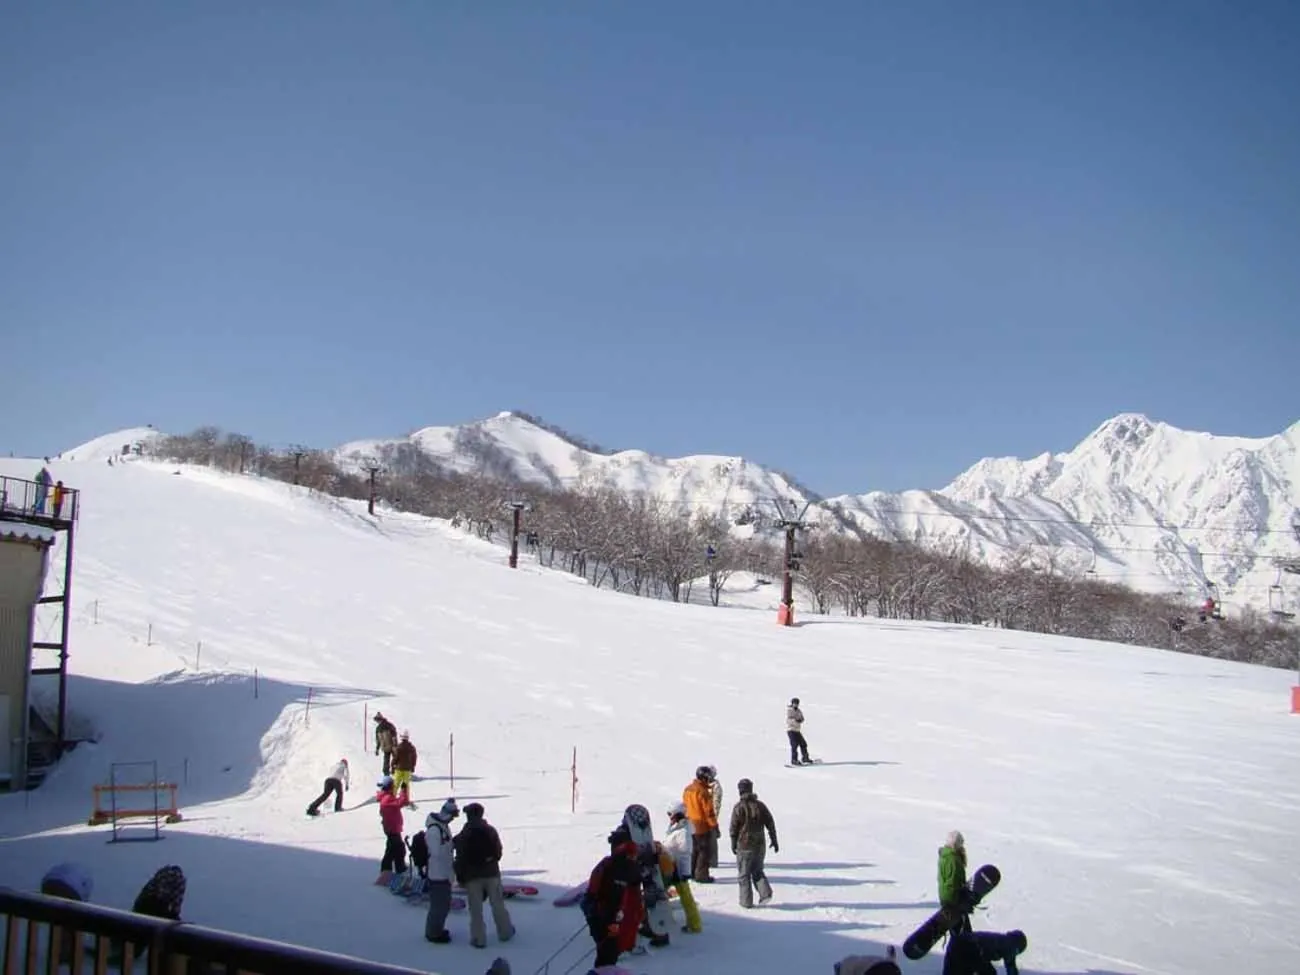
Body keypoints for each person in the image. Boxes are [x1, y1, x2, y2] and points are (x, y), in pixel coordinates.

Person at [580, 824, 645, 968]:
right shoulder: (619, 869)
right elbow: (615, 898)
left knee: (606, 953)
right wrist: (613, 922)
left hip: (597, 912)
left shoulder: (609, 863)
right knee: (607, 955)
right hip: (602, 915)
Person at [453, 802, 515, 949]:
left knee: (476, 910)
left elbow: (460, 858)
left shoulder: (464, 834)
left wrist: (460, 876)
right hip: (492, 873)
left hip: (472, 877)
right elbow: (498, 852)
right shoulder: (490, 830)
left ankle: (478, 938)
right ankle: (505, 932)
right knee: (498, 904)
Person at [729, 777, 778, 908]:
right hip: (760, 844)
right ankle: (765, 893)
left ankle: (746, 902)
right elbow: (770, 822)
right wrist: (774, 839)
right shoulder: (760, 805)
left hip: (744, 845)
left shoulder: (739, 807)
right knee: (757, 871)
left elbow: (733, 827)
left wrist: (733, 842)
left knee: (744, 875)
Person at [423, 798, 461, 944]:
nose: (452, 819)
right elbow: (436, 853)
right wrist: (449, 847)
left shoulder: (442, 826)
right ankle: (433, 933)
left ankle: (437, 929)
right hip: (437, 874)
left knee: (443, 905)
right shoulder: (434, 830)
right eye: (452, 816)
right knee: (438, 906)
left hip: (443, 873)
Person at [658, 809, 701, 933]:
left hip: (678, 869)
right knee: (680, 896)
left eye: (671, 815)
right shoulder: (676, 828)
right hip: (671, 866)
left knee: (686, 898)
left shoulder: (682, 831)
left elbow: (684, 853)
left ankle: (694, 924)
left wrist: (684, 872)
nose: (669, 817)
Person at [681, 766, 718, 883]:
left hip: (690, 824)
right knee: (703, 852)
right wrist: (714, 826)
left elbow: (684, 806)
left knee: (693, 850)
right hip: (701, 826)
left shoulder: (688, 789)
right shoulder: (703, 792)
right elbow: (709, 812)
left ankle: (691, 872)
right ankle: (701, 875)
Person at [943, 930, 1028, 975]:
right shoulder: (1009, 944)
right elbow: (1011, 966)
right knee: (989, 973)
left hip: (957, 943)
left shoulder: (1003, 940)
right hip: (969, 947)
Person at [938, 830, 970, 932]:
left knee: (956, 929)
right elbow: (953, 882)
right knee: (961, 931)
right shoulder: (953, 859)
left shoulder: (944, 856)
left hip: (945, 896)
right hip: (952, 900)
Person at [376, 775, 407, 882]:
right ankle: (389, 872)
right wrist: (404, 790)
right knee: (395, 850)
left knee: (396, 849)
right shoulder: (387, 798)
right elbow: (401, 802)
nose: (394, 787)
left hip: (392, 828)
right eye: (393, 786)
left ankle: (397, 870)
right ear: (389, 787)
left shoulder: (386, 797)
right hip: (392, 829)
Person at [787, 697, 812, 765]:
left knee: (803, 744)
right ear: (792, 703)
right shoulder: (790, 710)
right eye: (795, 703)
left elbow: (802, 718)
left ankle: (805, 758)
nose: (796, 705)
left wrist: (800, 720)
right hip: (791, 730)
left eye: (797, 703)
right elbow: (789, 720)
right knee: (794, 745)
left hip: (797, 730)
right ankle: (794, 760)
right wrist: (796, 721)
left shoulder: (798, 711)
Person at [392, 731, 418, 796]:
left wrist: (392, 765)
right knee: (406, 784)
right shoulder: (412, 747)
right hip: (407, 769)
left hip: (399, 768)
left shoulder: (399, 747)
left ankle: (393, 796)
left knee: (396, 783)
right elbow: (414, 758)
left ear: (402, 738)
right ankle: (405, 798)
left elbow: (396, 757)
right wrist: (413, 766)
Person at [706, 766, 722, 868]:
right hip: (702, 817)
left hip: (710, 816)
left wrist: (713, 817)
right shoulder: (703, 785)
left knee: (712, 838)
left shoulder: (715, 786)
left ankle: (713, 861)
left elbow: (716, 803)